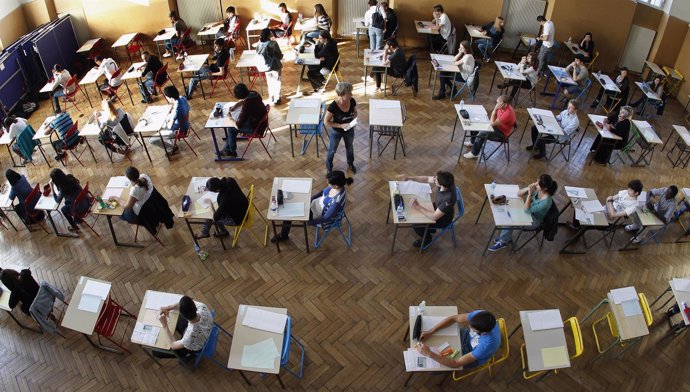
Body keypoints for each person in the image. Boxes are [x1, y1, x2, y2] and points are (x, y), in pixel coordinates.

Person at [271, 171, 353, 243]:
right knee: (294, 200)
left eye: (328, 183)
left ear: (336, 186)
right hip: (314, 205)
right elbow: (321, 193)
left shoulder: (336, 203)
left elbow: (325, 218)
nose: (327, 183)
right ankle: (284, 233)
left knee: (288, 214)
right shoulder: (337, 186)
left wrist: (309, 222)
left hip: (316, 215)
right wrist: (309, 199)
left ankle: (283, 235)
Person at [489, 174, 558, 251]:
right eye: (536, 181)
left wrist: (529, 194)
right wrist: (529, 188)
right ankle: (505, 237)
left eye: (538, 184)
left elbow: (526, 210)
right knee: (509, 211)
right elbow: (519, 193)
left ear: (545, 188)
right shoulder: (539, 189)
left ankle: (503, 241)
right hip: (528, 211)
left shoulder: (546, 202)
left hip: (534, 221)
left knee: (510, 219)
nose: (535, 184)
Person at [416, 310, 500, 369]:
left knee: (436, 369)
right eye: (470, 324)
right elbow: (453, 319)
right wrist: (431, 331)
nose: (469, 326)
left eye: (473, 328)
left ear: (483, 332)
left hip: (472, 353)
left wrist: (429, 354)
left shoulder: (486, 346)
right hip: (467, 336)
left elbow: (455, 364)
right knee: (438, 341)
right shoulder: (481, 315)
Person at [396, 171, 456, 248]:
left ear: (442, 185)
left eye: (436, 180)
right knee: (417, 211)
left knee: (416, 224)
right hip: (437, 208)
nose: (434, 179)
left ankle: (427, 239)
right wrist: (409, 178)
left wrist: (417, 206)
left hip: (442, 219)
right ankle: (429, 229)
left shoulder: (448, 200)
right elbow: (427, 179)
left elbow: (434, 217)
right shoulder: (447, 182)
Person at [153, 295, 213, 361]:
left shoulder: (190, 335)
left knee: (156, 352)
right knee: (176, 321)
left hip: (194, 346)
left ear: (182, 315)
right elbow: (184, 304)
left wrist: (165, 325)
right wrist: (168, 308)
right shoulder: (202, 306)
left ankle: (188, 356)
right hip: (204, 330)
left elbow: (173, 345)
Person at [221, 83, 267, 157]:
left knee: (231, 128)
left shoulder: (247, 104)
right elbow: (243, 100)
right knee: (234, 122)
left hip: (256, 128)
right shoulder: (254, 94)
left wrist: (230, 117)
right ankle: (228, 147)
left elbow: (238, 125)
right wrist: (234, 106)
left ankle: (231, 151)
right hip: (261, 122)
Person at [464, 95, 516, 159]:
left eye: (498, 103)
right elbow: (493, 121)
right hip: (497, 126)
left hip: (501, 134)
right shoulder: (503, 107)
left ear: (503, 104)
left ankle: (474, 153)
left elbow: (492, 123)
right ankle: (473, 142)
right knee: (476, 123)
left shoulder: (507, 113)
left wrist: (495, 109)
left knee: (481, 134)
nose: (496, 104)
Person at [325, 82, 358, 174]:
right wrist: (340, 125)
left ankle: (350, 164)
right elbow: (326, 121)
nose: (351, 94)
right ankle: (329, 168)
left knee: (350, 148)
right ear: (342, 94)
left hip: (349, 130)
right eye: (349, 93)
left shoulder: (352, 101)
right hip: (337, 132)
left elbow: (355, 112)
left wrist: (354, 120)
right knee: (332, 151)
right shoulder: (333, 106)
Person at [155, 85, 190, 156]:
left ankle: (171, 148)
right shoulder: (182, 98)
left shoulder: (176, 110)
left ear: (170, 98)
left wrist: (165, 121)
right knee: (163, 127)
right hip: (186, 125)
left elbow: (170, 126)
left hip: (180, 130)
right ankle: (171, 145)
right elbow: (188, 109)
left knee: (152, 140)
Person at [256, 28, 284, 105]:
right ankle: (277, 99)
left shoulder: (259, 45)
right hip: (275, 66)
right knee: (277, 81)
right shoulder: (273, 44)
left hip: (265, 66)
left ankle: (271, 97)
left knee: (270, 82)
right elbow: (279, 56)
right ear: (269, 34)